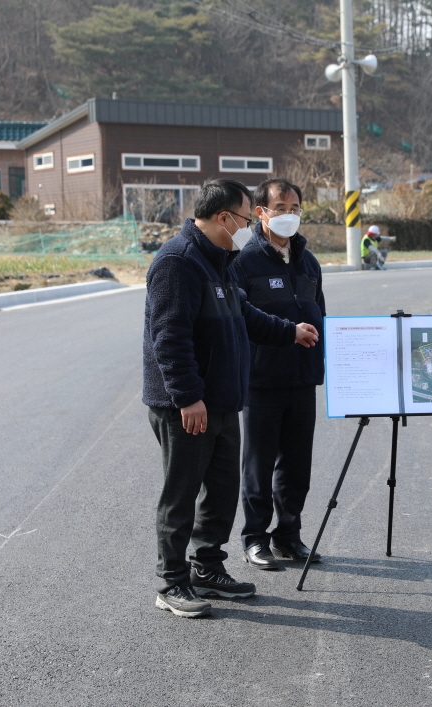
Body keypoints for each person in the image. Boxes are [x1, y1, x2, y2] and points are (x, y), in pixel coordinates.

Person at [143, 178, 320, 618]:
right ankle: (172, 582)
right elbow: (169, 337)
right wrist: (187, 397)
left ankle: (208, 568)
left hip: (222, 399)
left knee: (221, 491)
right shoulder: (177, 263)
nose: (246, 227)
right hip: (187, 405)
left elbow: (246, 313)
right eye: (244, 218)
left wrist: (289, 332)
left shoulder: (218, 260)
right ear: (223, 217)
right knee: (181, 493)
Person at [230, 179, 326, 569]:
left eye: (296, 208)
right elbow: (240, 322)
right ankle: (255, 538)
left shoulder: (309, 261)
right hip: (261, 381)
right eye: (281, 207)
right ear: (261, 212)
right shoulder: (243, 261)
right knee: (259, 463)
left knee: (297, 464)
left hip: (303, 378)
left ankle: (288, 535)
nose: (289, 215)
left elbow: (320, 312)